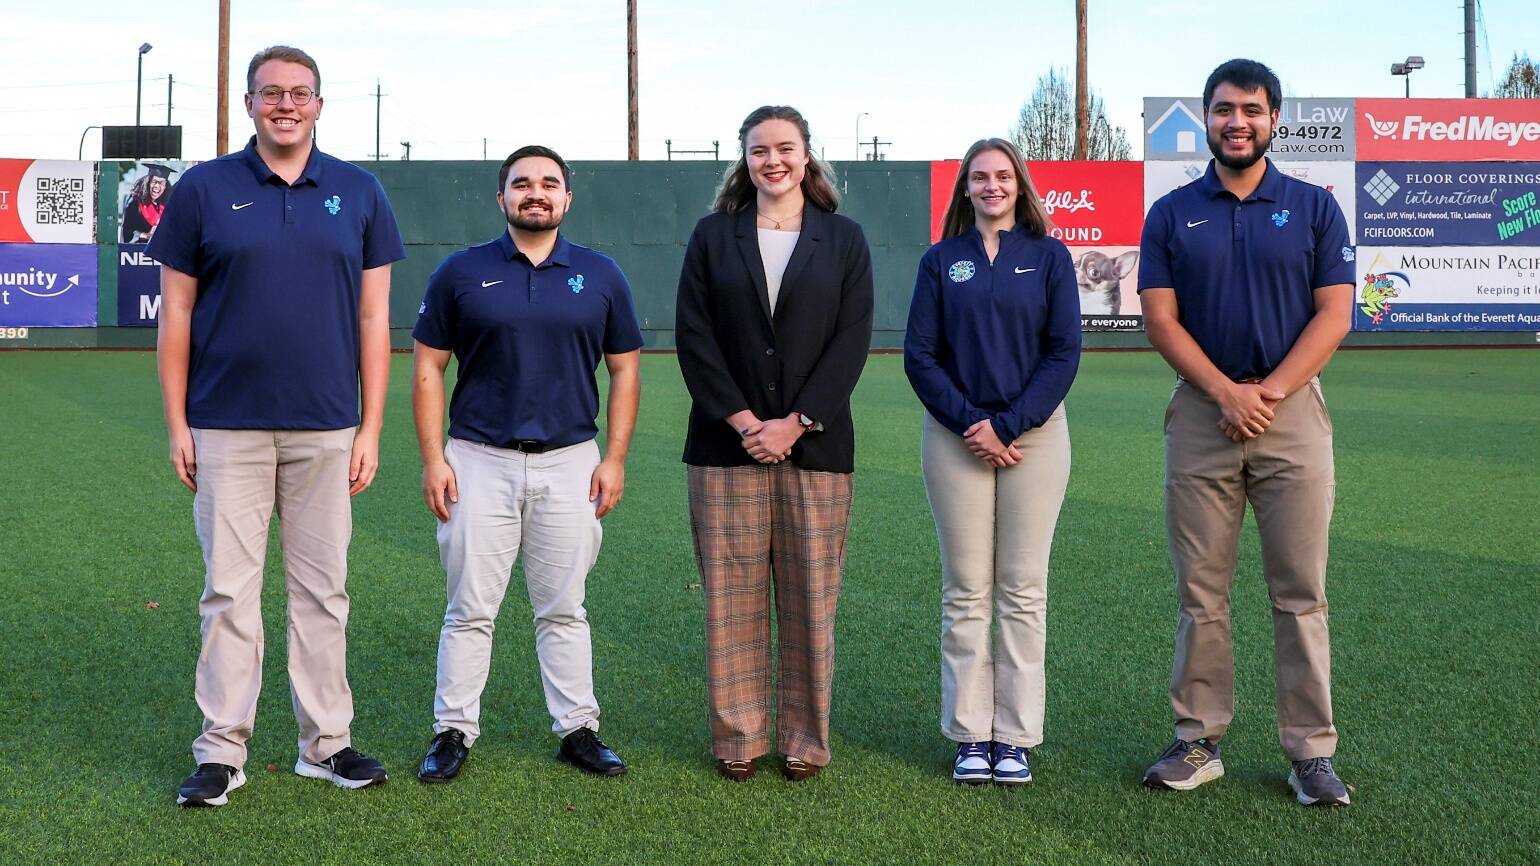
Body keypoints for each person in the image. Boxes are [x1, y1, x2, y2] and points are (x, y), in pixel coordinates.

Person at [151, 45, 404, 807]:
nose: (285, 105)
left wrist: (370, 427)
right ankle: (221, 751)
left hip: (327, 428)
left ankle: (325, 745)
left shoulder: (359, 191)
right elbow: (178, 315)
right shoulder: (203, 189)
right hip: (226, 425)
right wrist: (177, 423)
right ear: (250, 104)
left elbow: (373, 317)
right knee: (228, 594)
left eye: (300, 94)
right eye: (271, 93)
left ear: (320, 106)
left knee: (323, 594)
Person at [1137, 58, 1354, 806]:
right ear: (1206, 117)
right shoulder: (1171, 213)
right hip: (1202, 413)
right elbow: (1159, 318)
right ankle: (1198, 739)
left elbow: (1335, 313)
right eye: (1225, 109)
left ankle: (1310, 753)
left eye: (1252, 111)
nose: (1238, 122)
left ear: (1274, 120)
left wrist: (1268, 392)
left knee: (1301, 592)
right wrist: (1225, 392)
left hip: (1290, 414)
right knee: (1202, 594)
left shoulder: (1313, 207)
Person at [412, 145, 642, 783]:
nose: (534, 193)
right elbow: (429, 366)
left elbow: (625, 370)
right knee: (469, 608)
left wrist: (615, 458)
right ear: (502, 197)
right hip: (478, 459)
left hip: (570, 461)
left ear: (567, 198)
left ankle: (578, 729)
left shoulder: (600, 275)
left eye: (548, 184)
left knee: (565, 607)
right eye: (521, 184)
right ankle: (453, 729)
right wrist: (435, 458)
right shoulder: (462, 272)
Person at [675, 105, 873, 782]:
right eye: (759, 150)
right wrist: (743, 421)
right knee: (730, 599)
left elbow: (851, 343)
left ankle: (804, 740)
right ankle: (739, 738)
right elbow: (694, 337)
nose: (773, 161)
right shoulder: (712, 237)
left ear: (808, 157)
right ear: (745, 160)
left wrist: (795, 422)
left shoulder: (843, 240)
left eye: (785, 148)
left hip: (815, 448)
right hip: (725, 446)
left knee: (811, 598)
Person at [903, 138, 1081, 785]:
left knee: (1023, 589)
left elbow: (1064, 352)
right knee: (967, 588)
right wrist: (973, 425)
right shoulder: (940, 260)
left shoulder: (1049, 256)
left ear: (1019, 184)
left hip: (1034, 436)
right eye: (979, 177)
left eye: (1002, 176)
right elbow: (919, 355)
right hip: (956, 437)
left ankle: (1015, 737)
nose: (991, 186)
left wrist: (1007, 424)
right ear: (966, 189)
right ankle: (970, 734)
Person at [122, 163, 176, 243]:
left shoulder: (167, 206)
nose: (157, 186)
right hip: (137, 251)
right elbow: (126, 233)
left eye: (161, 183)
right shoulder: (134, 204)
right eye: (154, 182)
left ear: (165, 186)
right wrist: (146, 235)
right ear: (148, 183)